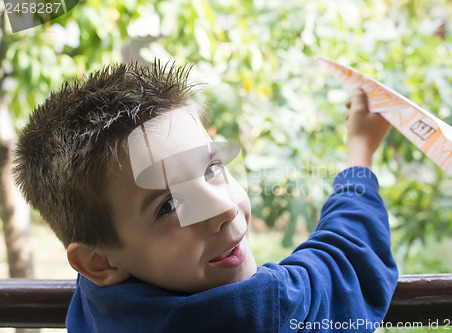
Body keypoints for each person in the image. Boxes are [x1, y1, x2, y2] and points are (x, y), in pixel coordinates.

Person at [13, 61, 398, 332]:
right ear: (97, 261)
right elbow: (350, 262)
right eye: (169, 205)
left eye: (211, 169)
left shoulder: (102, 296)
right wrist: (359, 152)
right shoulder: (253, 313)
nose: (224, 207)